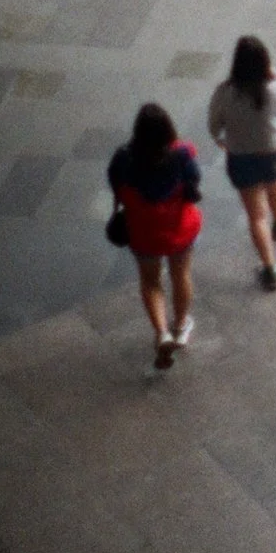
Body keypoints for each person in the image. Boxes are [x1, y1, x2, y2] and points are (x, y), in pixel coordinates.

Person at [106, 104, 203, 370]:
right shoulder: (182, 155)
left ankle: (161, 332)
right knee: (180, 275)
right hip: (179, 229)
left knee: (151, 282)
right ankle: (181, 326)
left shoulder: (123, 160)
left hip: (143, 232)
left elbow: (115, 186)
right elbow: (195, 181)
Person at [208, 35, 276, 292]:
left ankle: (270, 268)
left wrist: (221, 140)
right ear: (265, 63)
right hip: (273, 153)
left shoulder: (225, 93)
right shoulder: (273, 90)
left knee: (256, 215)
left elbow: (214, 126)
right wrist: (275, 76)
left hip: (241, 159)